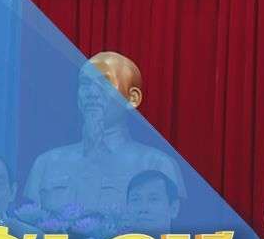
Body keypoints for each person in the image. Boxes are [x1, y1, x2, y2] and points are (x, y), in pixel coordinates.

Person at [23, 51, 182, 217]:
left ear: (132, 98)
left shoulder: (156, 164)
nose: (91, 93)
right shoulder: (46, 164)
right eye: (85, 83)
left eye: (105, 82)